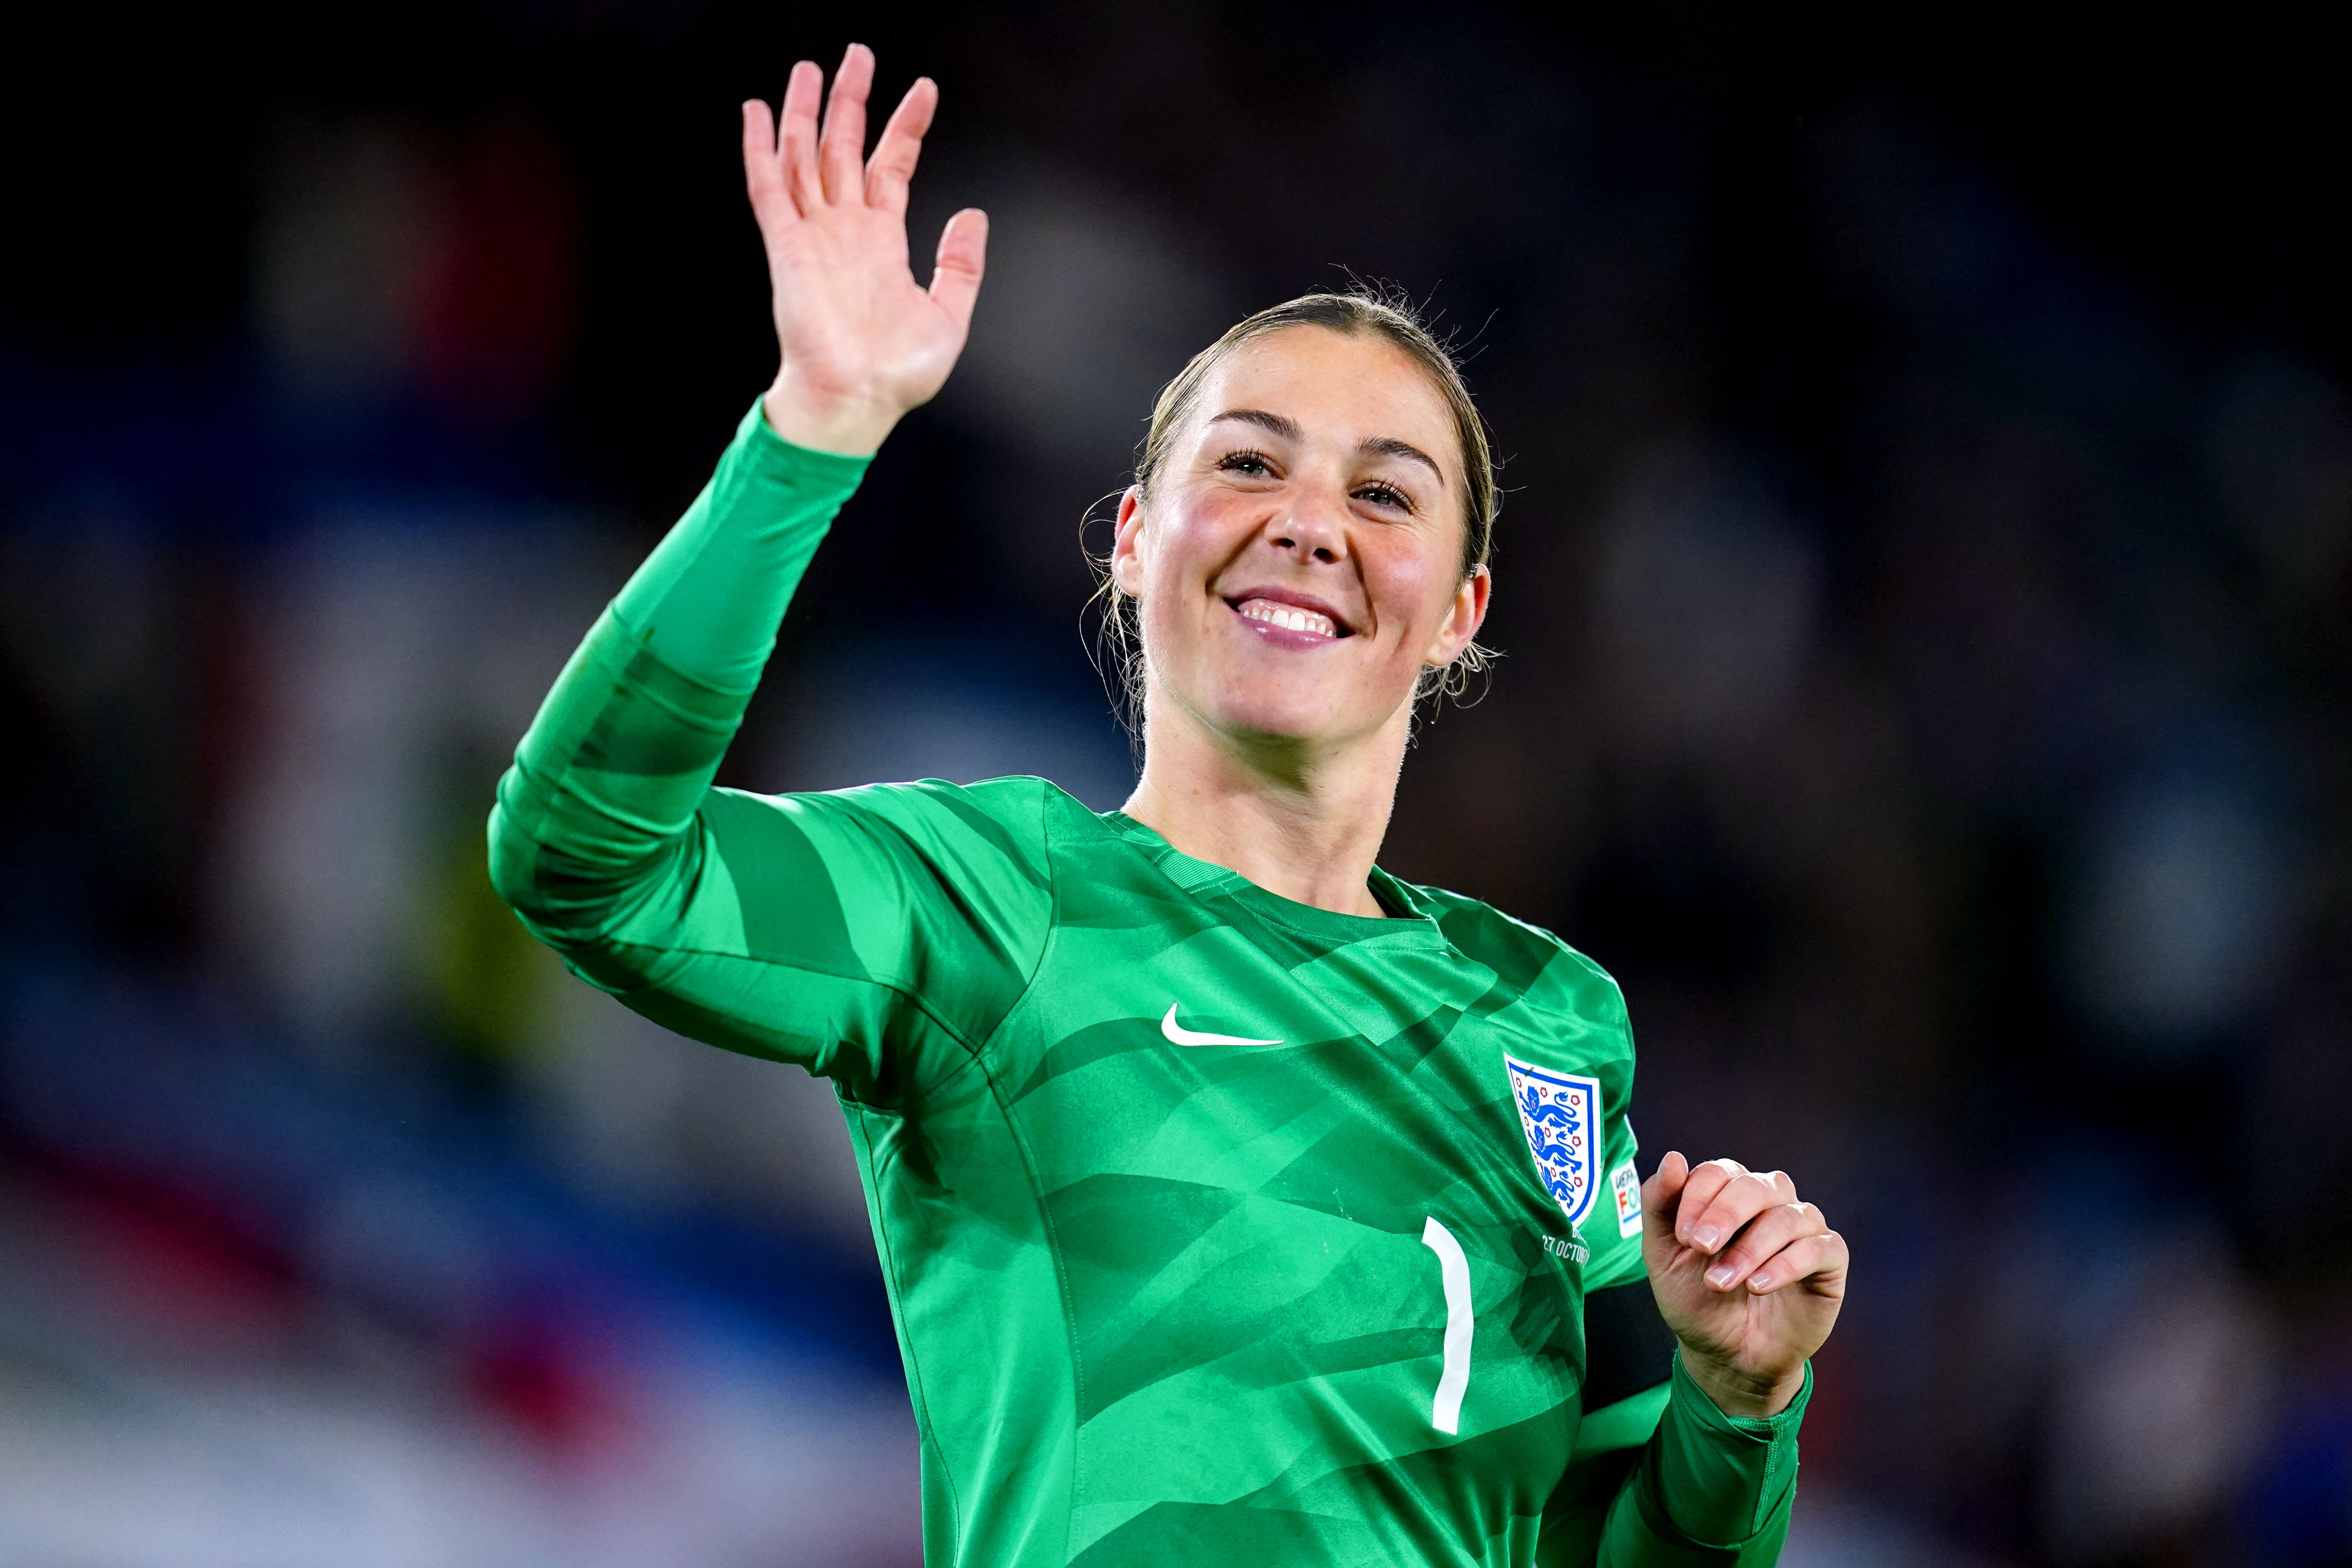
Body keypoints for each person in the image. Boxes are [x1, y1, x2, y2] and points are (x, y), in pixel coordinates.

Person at [489, 43, 1848, 1568]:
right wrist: (809, 435)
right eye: (1249, 462)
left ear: (1459, 610)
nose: (1309, 526)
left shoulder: (1547, 1018)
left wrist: (1740, 1400)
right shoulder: (997, 899)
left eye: (1386, 493)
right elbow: (586, 858)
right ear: (1134, 538)